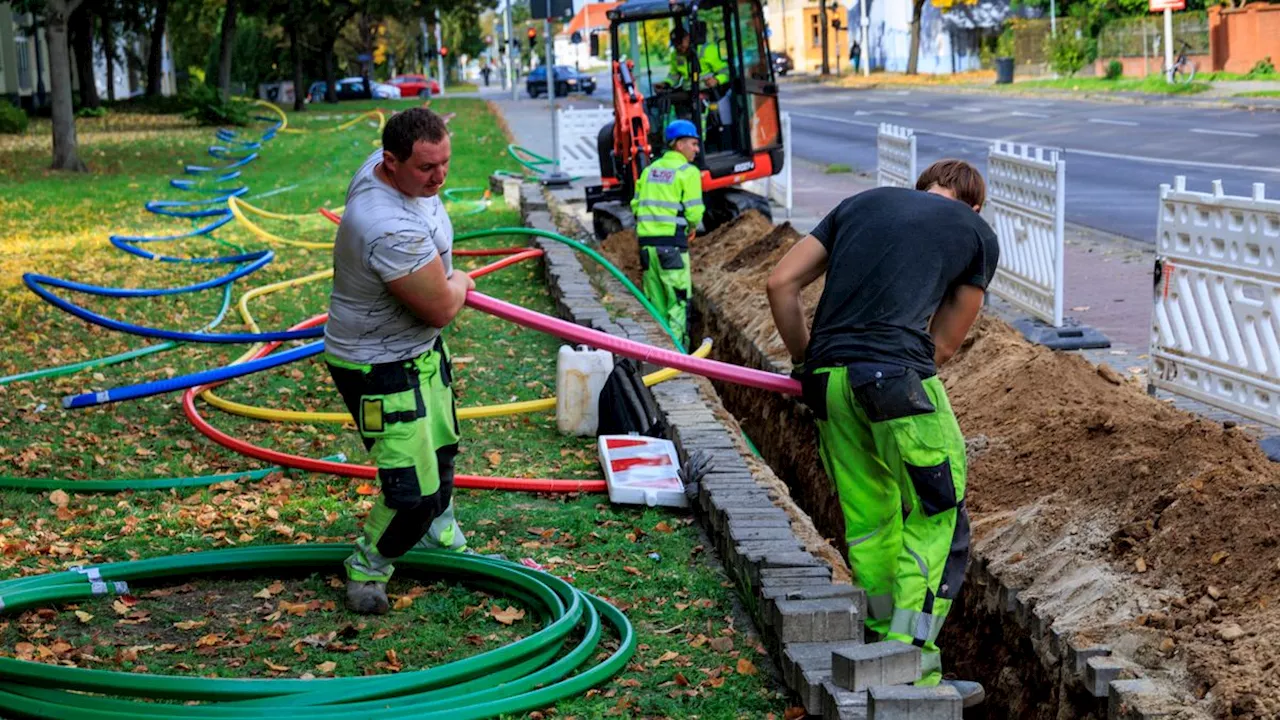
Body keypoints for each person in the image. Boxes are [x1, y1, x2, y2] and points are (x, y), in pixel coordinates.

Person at [765, 160, 999, 705]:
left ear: (920, 189)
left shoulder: (861, 205)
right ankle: (909, 668)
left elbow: (780, 283)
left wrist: (808, 362)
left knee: (870, 520)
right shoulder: (974, 233)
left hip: (827, 384)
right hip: (896, 381)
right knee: (939, 518)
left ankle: (878, 647)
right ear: (974, 205)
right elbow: (942, 346)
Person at [324, 107, 474, 615]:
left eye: (445, 163)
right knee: (411, 495)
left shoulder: (395, 166)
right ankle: (368, 566)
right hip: (376, 365)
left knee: (445, 451)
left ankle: (438, 534)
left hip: (419, 353)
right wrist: (461, 282)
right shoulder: (386, 226)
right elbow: (439, 307)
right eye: (426, 168)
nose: (439, 177)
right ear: (389, 163)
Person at [631, 119, 704, 348]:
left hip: (646, 249)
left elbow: (636, 206)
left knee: (656, 306)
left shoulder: (649, 171)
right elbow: (694, 213)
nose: (696, 149)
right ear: (679, 145)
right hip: (672, 250)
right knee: (678, 304)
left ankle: (656, 355)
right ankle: (678, 359)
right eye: (693, 144)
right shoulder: (687, 172)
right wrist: (691, 227)